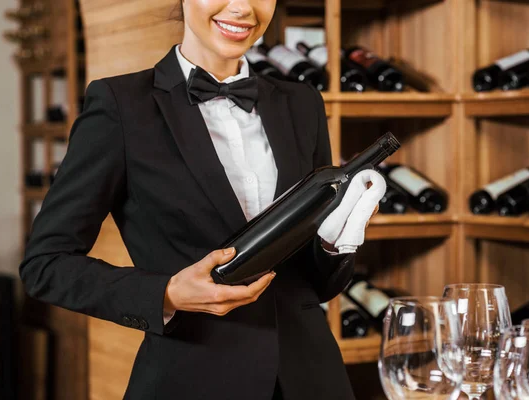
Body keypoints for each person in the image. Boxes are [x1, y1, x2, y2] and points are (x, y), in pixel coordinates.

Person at [19, 0, 380, 399]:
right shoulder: (121, 105)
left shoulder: (302, 102)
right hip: (191, 380)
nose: (243, 8)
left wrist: (335, 242)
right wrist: (167, 293)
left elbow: (316, 284)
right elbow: (46, 264)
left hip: (313, 379)